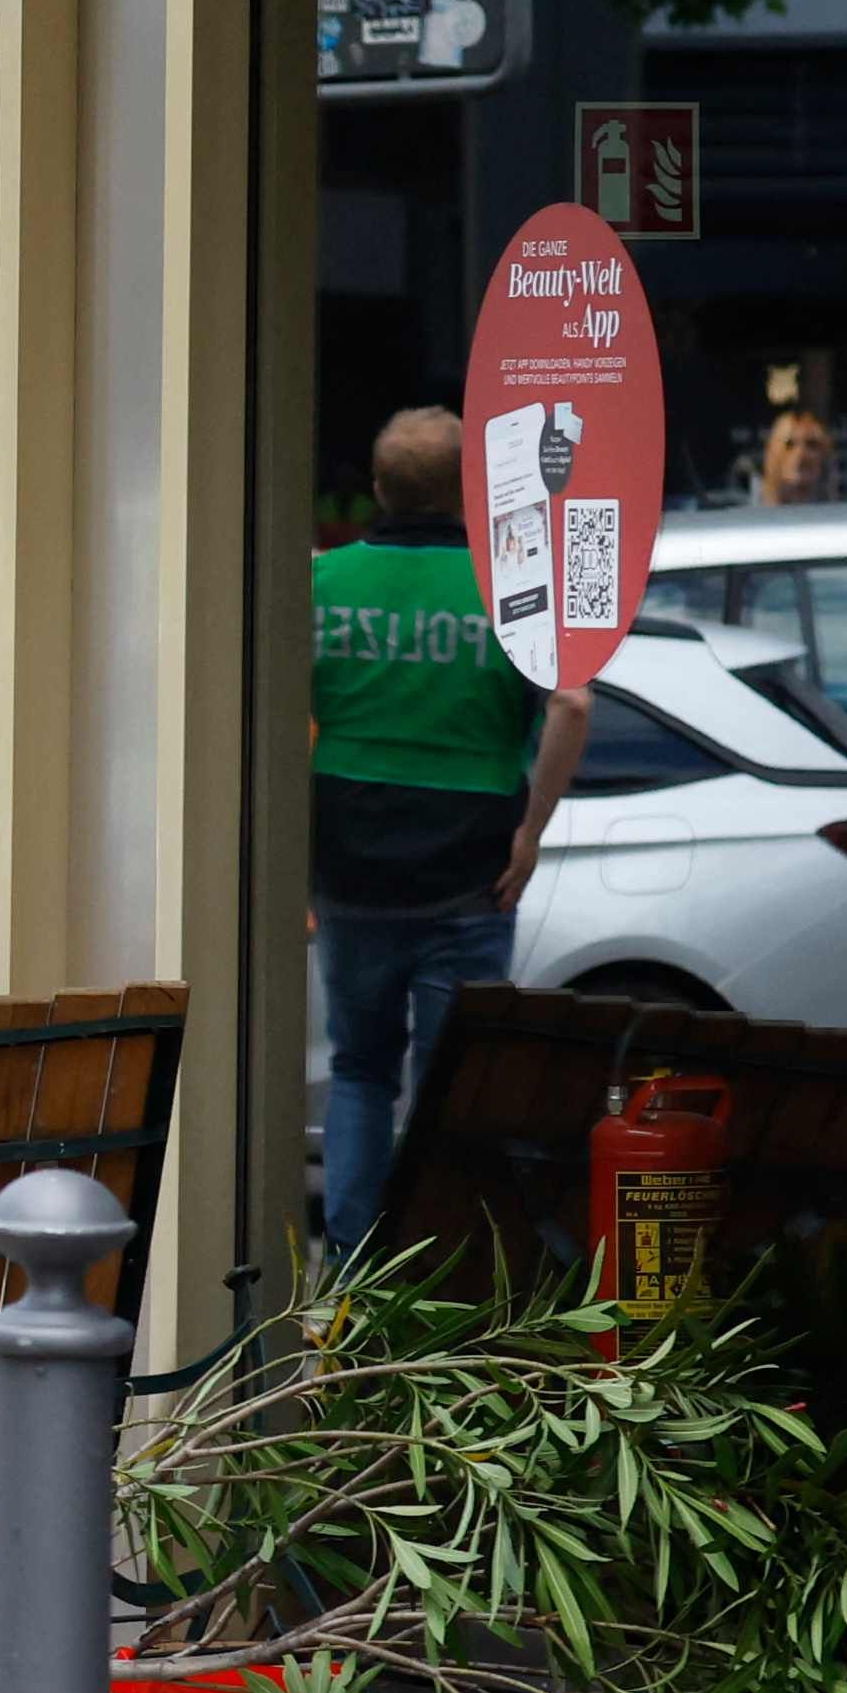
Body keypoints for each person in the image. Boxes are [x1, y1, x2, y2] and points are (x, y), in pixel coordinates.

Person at [309, 404, 596, 1256]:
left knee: (360, 1069)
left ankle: (351, 1268)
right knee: (453, 1082)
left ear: (376, 492)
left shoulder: (321, 584)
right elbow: (573, 703)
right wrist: (531, 831)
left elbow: (280, 718)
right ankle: (438, 1263)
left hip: (352, 859)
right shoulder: (508, 583)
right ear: (470, 489)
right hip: (472, 864)